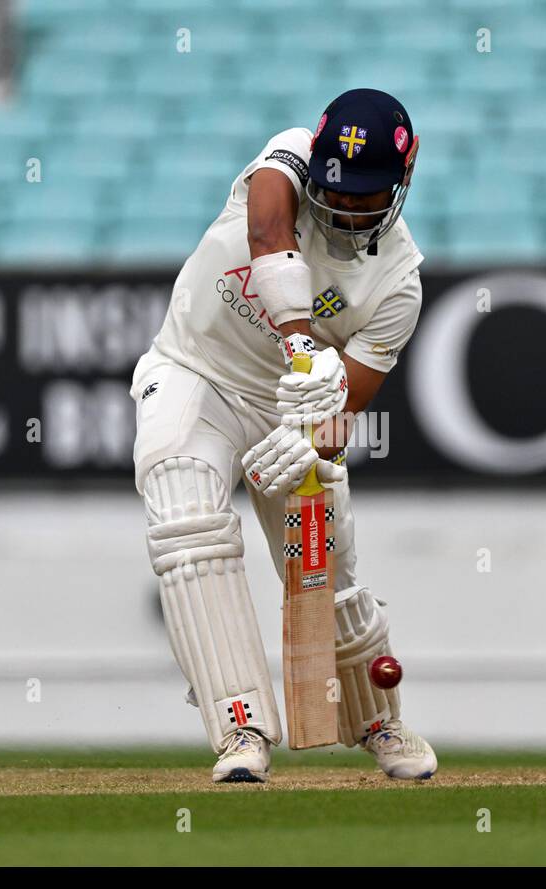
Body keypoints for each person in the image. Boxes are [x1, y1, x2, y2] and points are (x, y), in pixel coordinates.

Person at [129, 88, 437, 783]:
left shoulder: (398, 287)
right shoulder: (288, 158)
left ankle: (376, 718)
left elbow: (344, 408)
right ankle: (240, 729)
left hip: (291, 414)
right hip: (195, 371)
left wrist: (311, 439)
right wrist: (301, 345)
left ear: (404, 178)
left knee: (328, 571)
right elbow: (268, 231)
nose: (348, 208)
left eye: (367, 197)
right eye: (337, 191)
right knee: (186, 520)